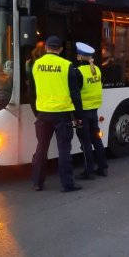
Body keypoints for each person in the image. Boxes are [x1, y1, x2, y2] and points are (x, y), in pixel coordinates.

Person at [31, 35, 83, 192]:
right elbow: (75, 94)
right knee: (64, 150)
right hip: (62, 114)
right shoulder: (67, 66)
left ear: (46, 47)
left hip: (43, 114)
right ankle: (67, 184)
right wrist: (78, 115)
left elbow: (32, 91)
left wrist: (36, 111)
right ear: (60, 49)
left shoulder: (36, 65)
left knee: (41, 148)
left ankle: (37, 182)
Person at [74, 42, 108, 180]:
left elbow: (75, 94)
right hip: (94, 110)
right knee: (96, 139)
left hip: (83, 112)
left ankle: (88, 171)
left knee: (85, 141)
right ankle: (103, 168)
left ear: (79, 57)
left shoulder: (78, 72)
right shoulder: (98, 70)